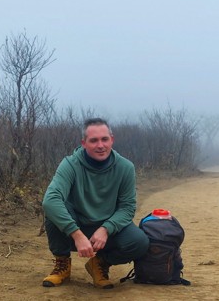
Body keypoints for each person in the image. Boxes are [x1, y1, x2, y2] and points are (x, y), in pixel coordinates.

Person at [40, 118, 149, 289]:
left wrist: (106, 228)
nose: (100, 145)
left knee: (139, 242)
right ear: (84, 143)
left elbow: (127, 208)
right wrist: (76, 234)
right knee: (54, 211)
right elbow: (50, 200)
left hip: (106, 228)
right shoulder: (70, 164)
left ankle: (99, 264)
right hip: (77, 226)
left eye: (104, 139)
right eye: (94, 140)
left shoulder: (125, 167)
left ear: (112, 139)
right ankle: (62, 265)